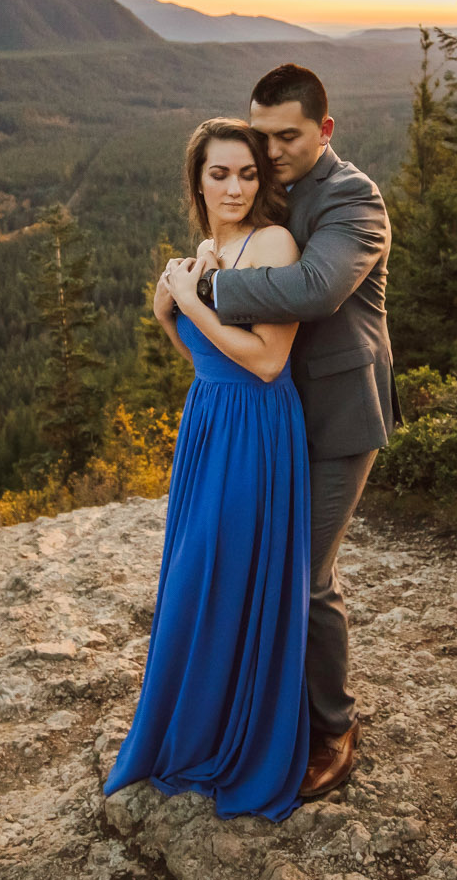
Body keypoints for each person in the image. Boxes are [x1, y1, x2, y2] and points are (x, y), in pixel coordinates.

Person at [101, 117, 314, 821]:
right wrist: (168, 313)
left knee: (219, 573)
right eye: (219, 174)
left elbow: (267, 359)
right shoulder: (205, 248)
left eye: (248, 174)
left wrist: (189, 299)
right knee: (194, 575)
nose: (234, 187)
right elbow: (206, 355)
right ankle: (191, 726)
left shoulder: (274, 243)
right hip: (209, 420)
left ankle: (233, 738)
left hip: (256, 427)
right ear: (197, 179)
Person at [200, 64, 392, 802]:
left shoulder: (353, 198)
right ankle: (271, 712)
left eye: (289, 135)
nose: (272, 150)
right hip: (269, 417)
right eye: (263, 135)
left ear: (326, 130)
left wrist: (205, 286)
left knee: (308, 577)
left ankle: (335, 729)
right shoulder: (269, 189)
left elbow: (317, 289)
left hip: (339, 415)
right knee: (267, 567)